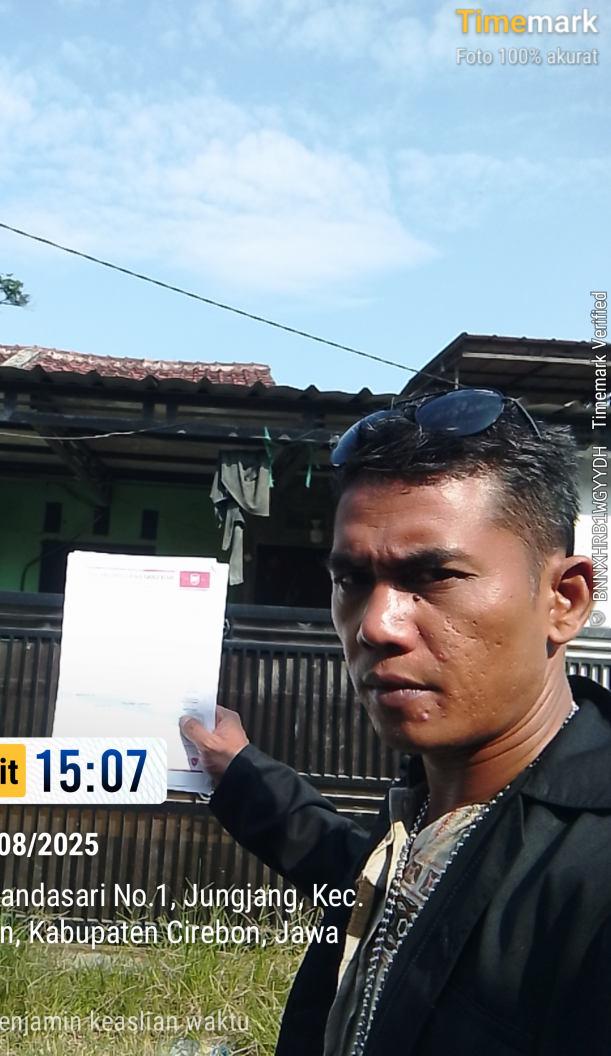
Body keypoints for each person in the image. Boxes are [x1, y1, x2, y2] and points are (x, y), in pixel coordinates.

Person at [181, 388, 611, 1056]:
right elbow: (372, 879)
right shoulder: (432, 812)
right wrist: (239, 772)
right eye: (353, 580)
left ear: (564, 599)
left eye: (435, 576)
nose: (377, 625)